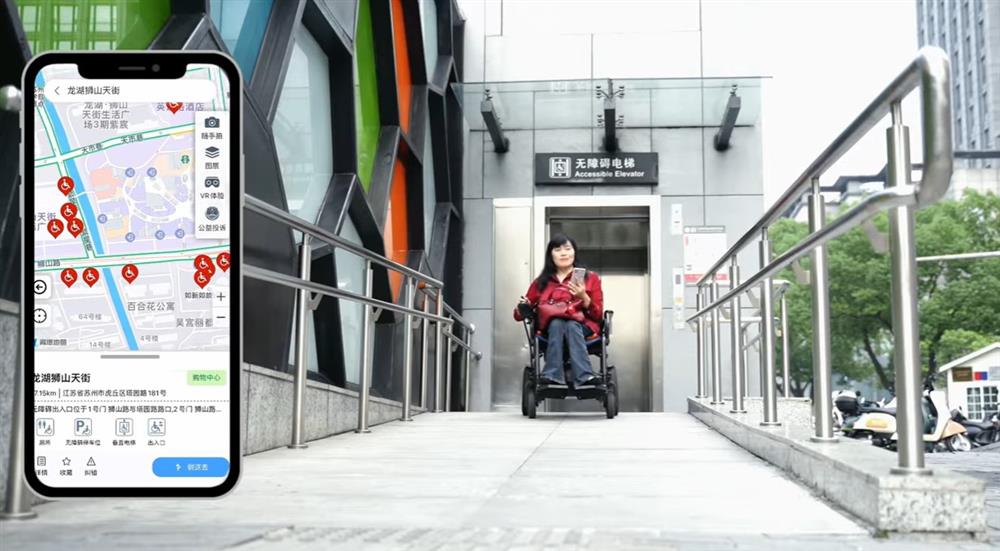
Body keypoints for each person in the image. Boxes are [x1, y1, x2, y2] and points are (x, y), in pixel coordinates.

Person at [513, 234, 604, 387]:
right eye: (558, 250)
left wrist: (583, 297)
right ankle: (584, 376)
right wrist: (523, 306)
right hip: (550, 329)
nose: (564, 253)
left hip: (583, 326)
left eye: (568, 249)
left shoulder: (590, 278)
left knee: (570, 324)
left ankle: (553, 375)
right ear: (551, 255)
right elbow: (518, 316)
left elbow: (598, 315)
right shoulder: (542, 282)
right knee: (557, 323)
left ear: (574, 252)